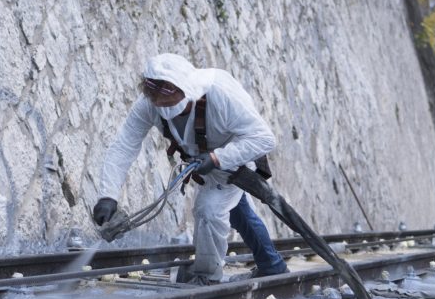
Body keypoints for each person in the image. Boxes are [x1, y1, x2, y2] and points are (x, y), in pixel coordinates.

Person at [92, 53, 289, 285]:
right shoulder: (149, 104)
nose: (163, 108)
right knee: (237, 211)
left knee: (208, 210)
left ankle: (206, 278)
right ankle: (272, 266)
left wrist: (218, 158)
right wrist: (108, 195)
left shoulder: (221, 94)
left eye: (168, 102)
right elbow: (124, 147)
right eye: (158, 103)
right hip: (204, 162)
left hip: (236, 158)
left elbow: (264, 139)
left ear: (185, 89)